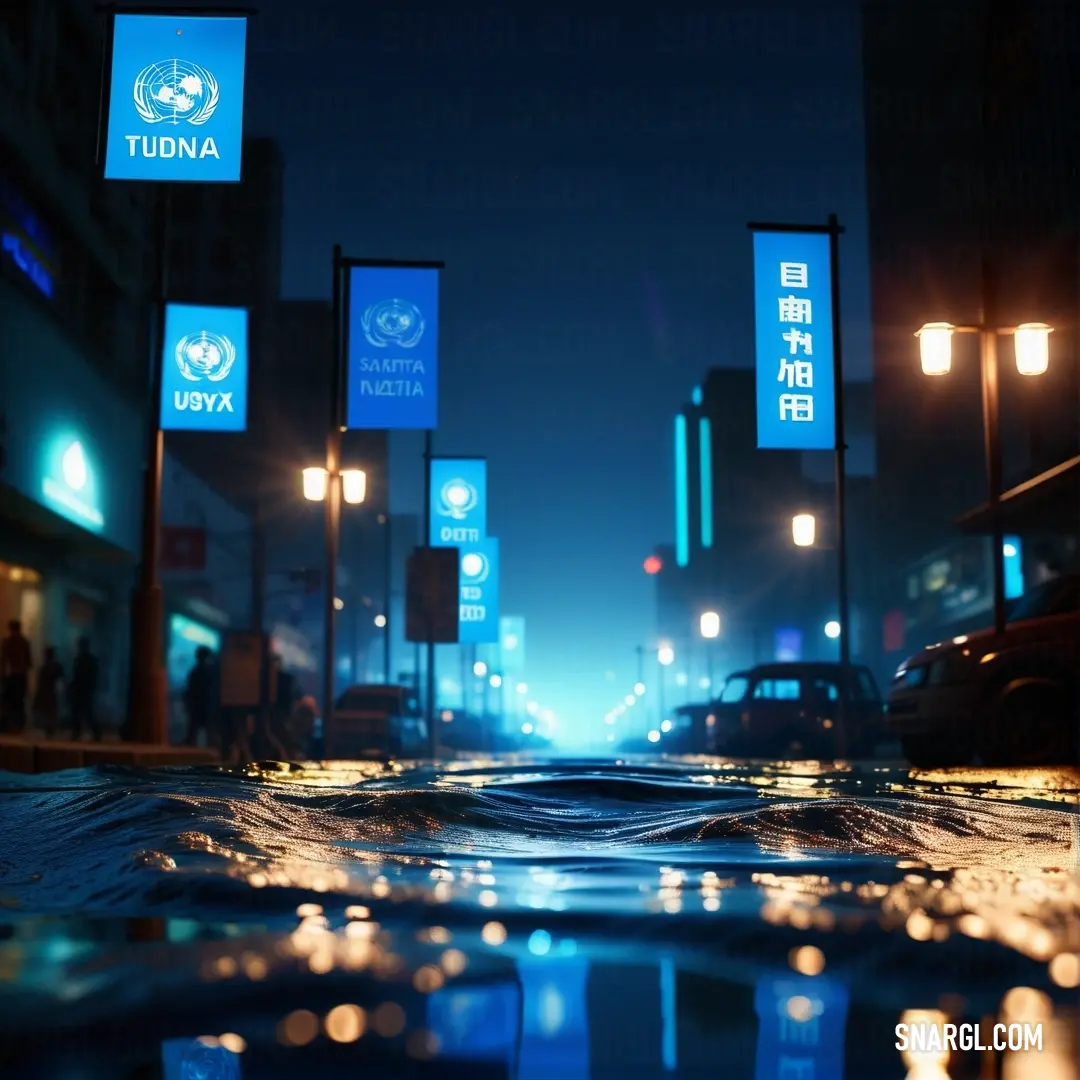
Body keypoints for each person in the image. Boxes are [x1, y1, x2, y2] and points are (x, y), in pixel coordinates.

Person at [1, 619, 33, 733]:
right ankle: (18, 725)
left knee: (9, 701)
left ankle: (10, 724)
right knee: (19, 701)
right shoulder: (24, 642)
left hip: (11, 675)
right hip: (21, 675)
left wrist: (3, 675)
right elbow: (29, 663)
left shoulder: (8, 641)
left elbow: (4, 660)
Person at [69, 637, 101, 741]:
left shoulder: (80, 660)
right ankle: (93, 733)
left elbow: (76, 676)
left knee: (82, 712)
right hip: (85, 690)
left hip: (82, 690)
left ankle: (77, 733)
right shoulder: (90, 660)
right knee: (86, 713)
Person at [183, 646, 216, 748]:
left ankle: (191, 747)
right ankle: (211, 749)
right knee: (209, 730)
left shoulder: (195, 671)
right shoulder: (209, 671)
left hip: (196, 704)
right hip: (206, 704)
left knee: (194, 729)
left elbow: (190, 689)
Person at [33, 646, 64, 738]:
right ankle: (50, 729)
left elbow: (40, 683)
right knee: (51, 711)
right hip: (50, 692)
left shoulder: (44, 668)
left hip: (47, 692)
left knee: (48, 711)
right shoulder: (54, 667)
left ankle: (49, 729)